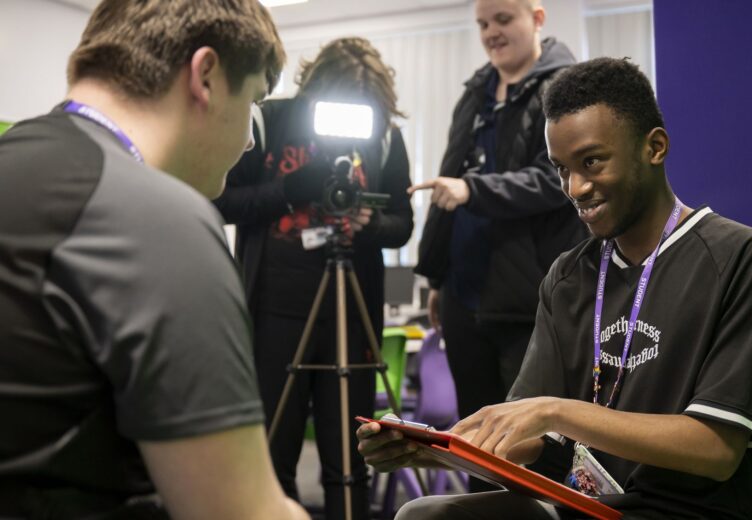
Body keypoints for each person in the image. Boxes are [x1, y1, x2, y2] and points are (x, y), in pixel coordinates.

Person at [358, 57, 752, 519]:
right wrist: (440, 450)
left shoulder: (741, 256)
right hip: (587, 505)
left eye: (592, 162)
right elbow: (537, 441)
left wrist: (558, 412)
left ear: (655, 147)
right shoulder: (568, 277)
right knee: (423, 514)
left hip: (693, 513)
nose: (575, 187)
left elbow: (717, 451)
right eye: (561, 169)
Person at [0, 1, 309, 519]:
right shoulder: (156, 220)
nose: (249, 140)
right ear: (206, 76)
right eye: (253, 102)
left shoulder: (18, 162)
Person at [213, 37, 413, 519]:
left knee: (350, 458)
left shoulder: (382, 132)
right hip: (274, 309)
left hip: (351, 310)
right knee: (272, 455)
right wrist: (288, 190)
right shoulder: (270, 121)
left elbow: (402, 223)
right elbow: (223, 201)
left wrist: (370, 225)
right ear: (314, 88)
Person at [409, 0, 586, 491]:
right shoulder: (474, 93)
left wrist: (475, 190)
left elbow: (559, 180)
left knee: (529, 451)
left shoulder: (565, 87)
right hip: (466, 297)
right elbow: (449, 185)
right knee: (474, 448)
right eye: (483, 24)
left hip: (529, 304)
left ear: (538, 17)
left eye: (503, 20)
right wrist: (436, 278)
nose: (491, 33)